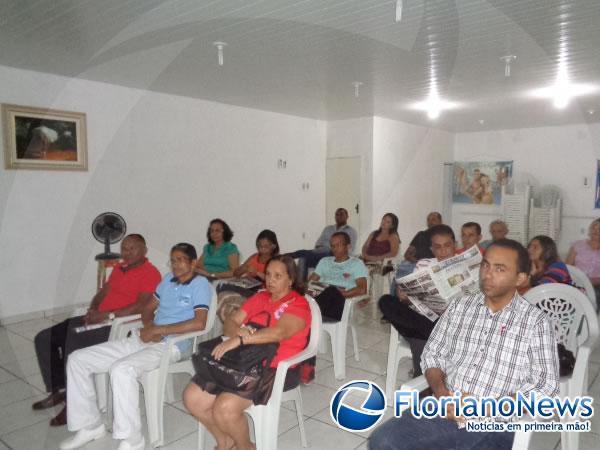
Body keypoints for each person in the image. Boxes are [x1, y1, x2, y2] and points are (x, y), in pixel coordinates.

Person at [369, 240, 560, 450]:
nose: (487, 274)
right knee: (383, 440)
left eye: (499, 269)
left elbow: (545, 387)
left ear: (520, 278)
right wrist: (442, 395)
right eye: (485, 265)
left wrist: (486, 407)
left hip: (494, 422)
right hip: (445, 407)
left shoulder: (535, 322)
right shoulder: (461, 306)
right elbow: (433, 354)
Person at [59, 243, 212, 450]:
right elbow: (147, 310)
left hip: (173, 346)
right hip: (146, 338)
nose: (175, 265)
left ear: (193, 263)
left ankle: (132, 439)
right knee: (78, 359)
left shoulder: (200, 284)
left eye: (180, 260)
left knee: (122, 369)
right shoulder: (167, 280)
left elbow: (199, 323)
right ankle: (90, 425)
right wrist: (150, 328)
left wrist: (160, 331)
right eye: (173, 260)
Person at [183, 255, 311, 450]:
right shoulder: (260, 297)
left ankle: (245, 447)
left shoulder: (298, 304)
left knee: (224, 409)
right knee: (192, 398)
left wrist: (240, 339)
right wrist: (237, 332)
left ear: (290, 279)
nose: (270, 280)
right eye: (268, 274)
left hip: (275, 368)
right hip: (242, 360)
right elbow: (230, 322)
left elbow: (280, 332)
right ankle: (225, 442)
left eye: (278, 276)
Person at [32, 234, 161, 426]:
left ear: (145, 250)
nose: (126, 252)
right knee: (44, 337)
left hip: (118, 325)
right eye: (124, 248)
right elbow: (103, 292)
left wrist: (106, 316)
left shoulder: (150, 273)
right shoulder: (120, 268)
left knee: (72, 342)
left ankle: (74, 405)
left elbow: (141, 307)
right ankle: (58, 390)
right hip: (99, 318)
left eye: (132, 248)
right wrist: (93, 310)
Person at [378, 225, 457, 376]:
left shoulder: (464, 267)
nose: (443, 251)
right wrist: (405, 298)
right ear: (432, 249)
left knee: (418, 338)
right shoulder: (424, 264)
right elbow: (410, 299)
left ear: (455, 245)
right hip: (423, 316)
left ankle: (421, 378)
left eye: (447, 245)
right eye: (437, 247)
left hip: (450, 323)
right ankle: (431, 340)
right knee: (386, 301)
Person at [309, 232, 368, 320]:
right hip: (321, 298)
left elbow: (362, 289)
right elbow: (310, 283)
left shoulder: (356, 263)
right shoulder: (324, 261)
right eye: (332, 246)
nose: (334, 248)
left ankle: (310, 314)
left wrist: (340, 294)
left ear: (348, 246)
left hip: (340, 302)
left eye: (338, 245)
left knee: (331, 290)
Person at [287, 208, 358, 279]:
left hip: (334, 255)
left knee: (324, 252)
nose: (339, 216)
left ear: (347, 216)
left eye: (341, 214)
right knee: (303, 259)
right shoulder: (328, 229)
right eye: (337, 214)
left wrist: (333, 249)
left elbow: (350, 249)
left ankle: (291, 255)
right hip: (321, 253)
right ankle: (301, 285)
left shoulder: (351, 231)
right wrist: (321, 249)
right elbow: (318, 244)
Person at [566, 218, 600, 309]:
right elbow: (568, 267)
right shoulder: (578, 245)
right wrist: (579, 281)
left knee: (595, 296)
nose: (596, 231)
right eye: (594, 227)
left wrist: (589, 282)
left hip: (597, 285)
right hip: (576, 283)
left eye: (599, 229)